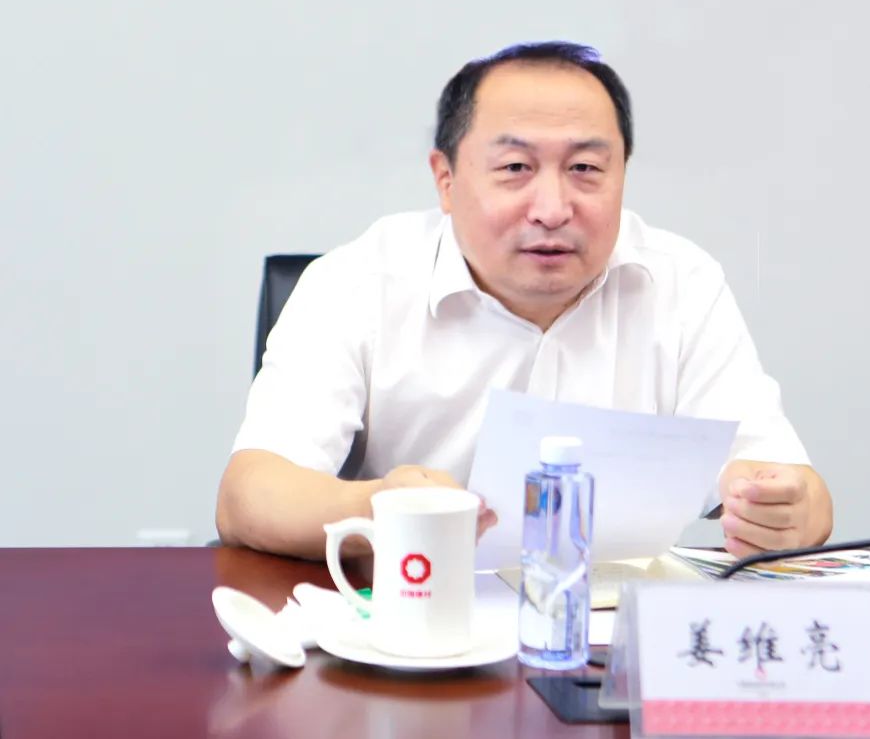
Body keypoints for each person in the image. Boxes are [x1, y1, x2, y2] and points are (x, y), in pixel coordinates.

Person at [215, 41, 833, 560]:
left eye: (585, 169)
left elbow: (799, 493)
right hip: (413, 620)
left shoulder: (680, 282)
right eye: (515, 167)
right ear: (446, 180)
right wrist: (382, 508)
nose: (553, 209)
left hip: (610, 634)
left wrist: (783, 511)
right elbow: (249, 495)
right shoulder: (356, 281)